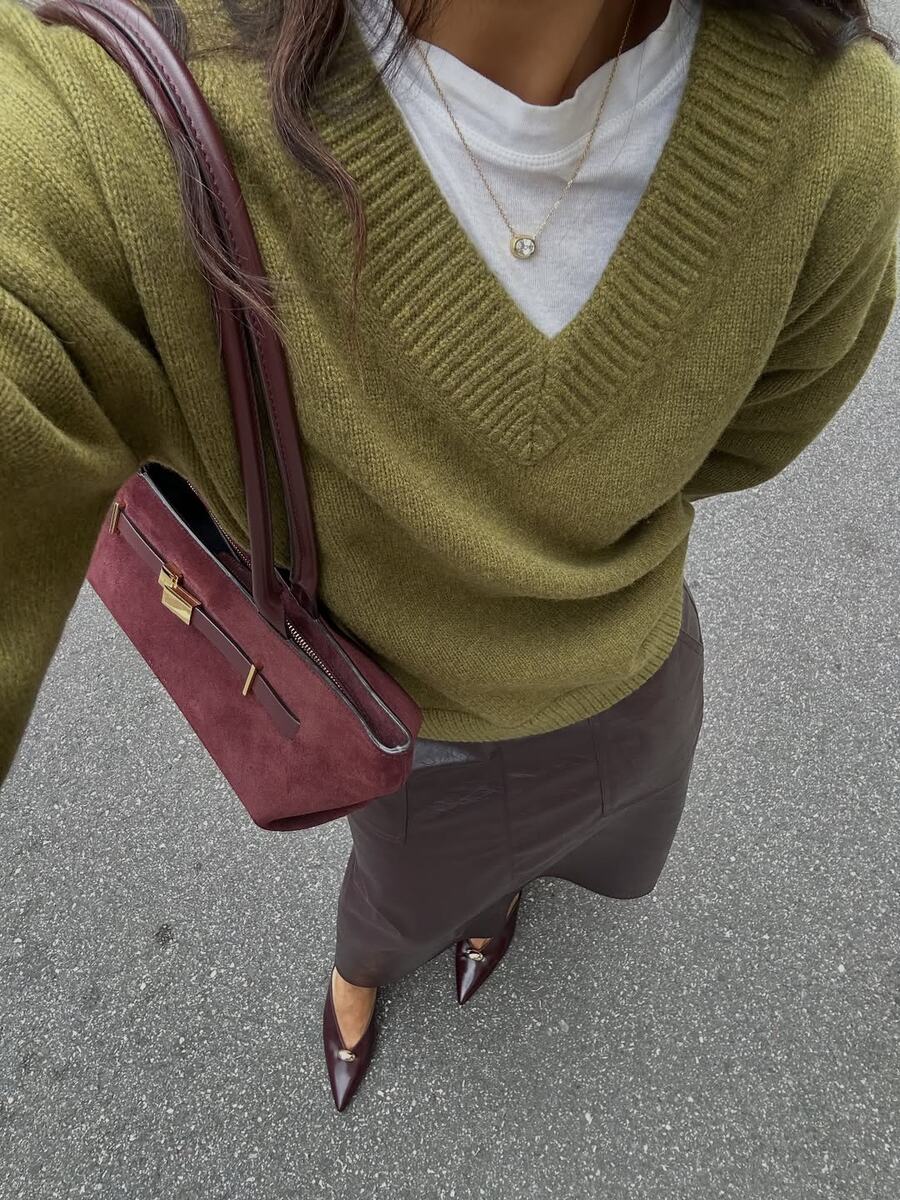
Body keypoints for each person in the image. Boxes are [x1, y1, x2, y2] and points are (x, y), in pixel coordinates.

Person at [0, 0, 898, 1113]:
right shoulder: (125, 107)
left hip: (629, 687)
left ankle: (494, 905)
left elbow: (757, 434)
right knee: (400, 887)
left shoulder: (837, 122)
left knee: (527, 859)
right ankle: (360, 976)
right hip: (403, 728)